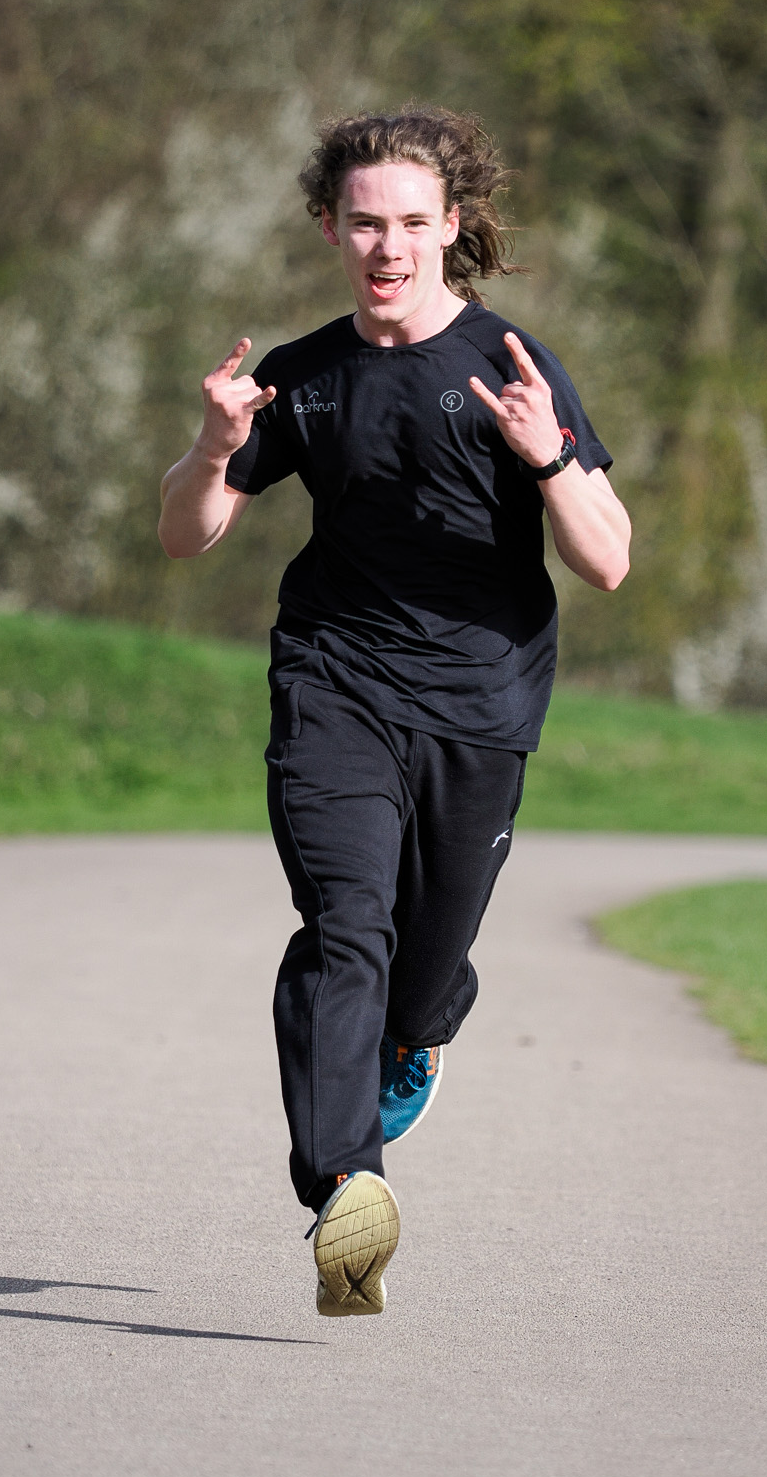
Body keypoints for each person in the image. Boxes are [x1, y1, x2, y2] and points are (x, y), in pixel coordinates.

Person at [158, 106, 630, 1317]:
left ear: (451, 225)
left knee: (418, 979)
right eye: (365, 222)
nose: (389, 245)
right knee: (344, 919)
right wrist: (214, 445)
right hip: (334, 683)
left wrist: (548, 460)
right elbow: (185, 534)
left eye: (413, 222)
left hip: (481, 702)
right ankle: (345, 1180)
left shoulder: (513, 364)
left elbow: (611, 559)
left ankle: (418, 1034)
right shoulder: (302, 375)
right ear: (331, 226)